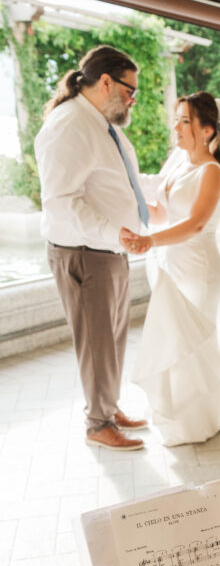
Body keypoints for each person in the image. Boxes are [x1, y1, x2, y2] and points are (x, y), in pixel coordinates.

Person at [34, 45, 150, 451]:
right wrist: (114, 233)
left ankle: (108, 405)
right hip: (86, 253)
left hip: (109, 250)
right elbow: (62, 204)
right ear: (106, 82)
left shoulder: (103, 124)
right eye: (130, 89)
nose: (133, 99)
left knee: (113, 337)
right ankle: (97, 424)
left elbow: (118, 183)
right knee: (97, 341)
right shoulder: (68, 126)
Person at [120, 91, 220, 446]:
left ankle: (203, 422)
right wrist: (130, 210)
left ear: (208, 131)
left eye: (186, 121)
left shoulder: (212, 172)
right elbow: (160, 215)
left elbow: (197, 224)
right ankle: (185, 420)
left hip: (199, 270)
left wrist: (150, 242)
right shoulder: (180, 166)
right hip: (174, 267)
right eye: (177, 119)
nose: (177, 127)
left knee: (194, 344)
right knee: (175, 340)